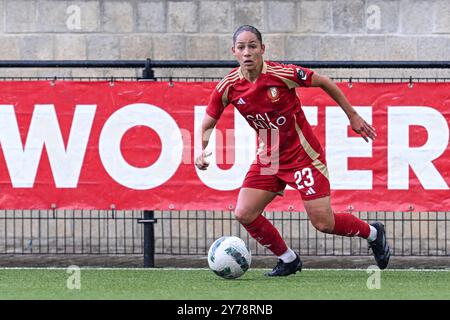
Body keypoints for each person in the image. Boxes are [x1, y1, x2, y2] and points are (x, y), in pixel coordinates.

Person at [195, 25, 390, 276]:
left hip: (303, 157)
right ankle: (288, 259)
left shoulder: (281, 73)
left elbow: (323, 81)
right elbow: (208, 122)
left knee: (323, 223)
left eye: (253, 46)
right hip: (269, 159)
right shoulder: (228, 86)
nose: (247, 52)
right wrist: (201, 150)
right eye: (241, 47)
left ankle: (373, 233)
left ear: (262, 49)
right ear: (234, 52)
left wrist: (352, 116)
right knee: (244, 212)